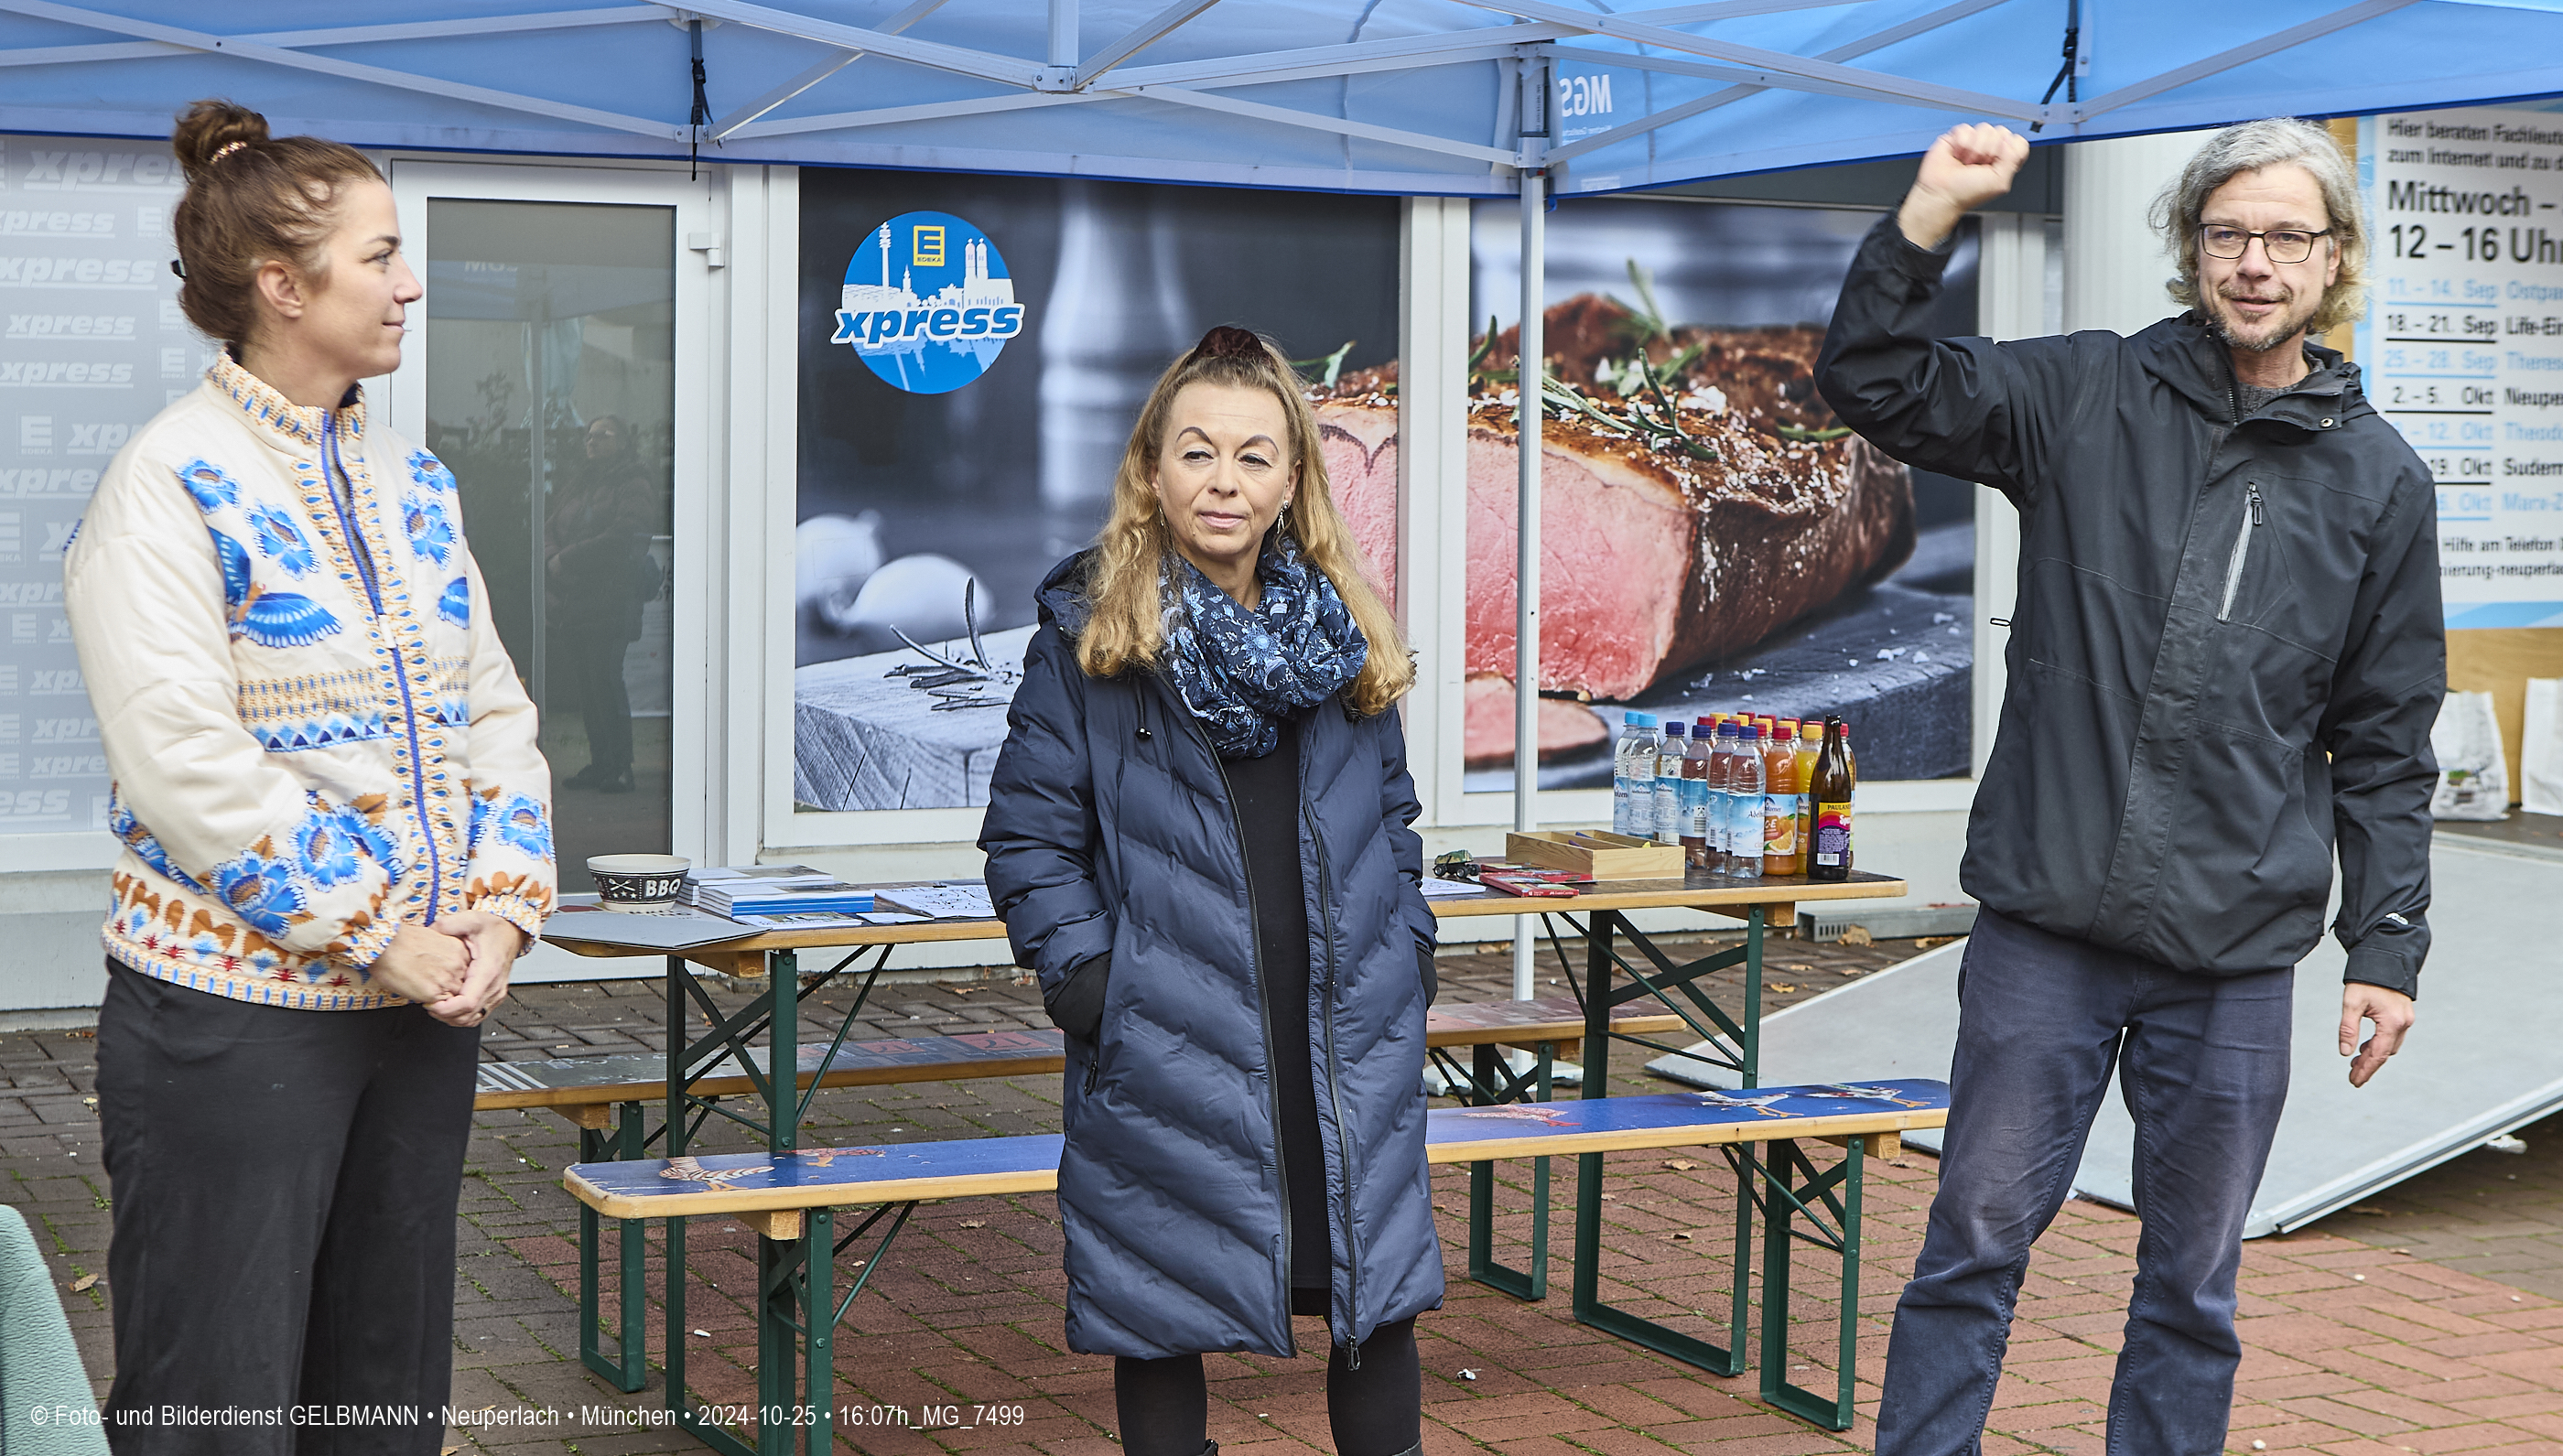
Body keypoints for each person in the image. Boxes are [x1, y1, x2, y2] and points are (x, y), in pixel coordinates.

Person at [1817, 118, 2443, 1454]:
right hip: (2048, 925)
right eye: (2228, 233)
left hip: (2233, 950)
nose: (2255, 261)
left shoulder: (2380, 481)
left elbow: (2387, 736)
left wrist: (2385, 942)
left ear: (2333, 259)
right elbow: (1871, 378)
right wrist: (1931, 206)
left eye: (2287, 236)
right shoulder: (2083, 397)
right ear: (2191, 249)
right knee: (1974, 1240)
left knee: (2193, 1283)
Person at [62, 99, 557, 1452]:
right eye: (381, 255)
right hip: (234, 1024)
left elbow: (491, 704)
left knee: (383, 1390)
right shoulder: (166, 480)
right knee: (215, 1396)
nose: (409, 283)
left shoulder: (414, 477)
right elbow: (184, 759)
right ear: (282, 285)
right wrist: (379, 931)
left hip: (423, 1007)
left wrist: (503, 909)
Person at [979, 326, 1440, 1456]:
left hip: (1339, 1032)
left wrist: (1408, 952)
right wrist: (1097, 986)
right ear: (1150, 469)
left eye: (1251, 456)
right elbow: (1028, 839)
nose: (1223, 480)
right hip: (1169, 1033)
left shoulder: (1344, 641)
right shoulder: (1086, 641)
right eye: (1196, 452)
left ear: (1292, 481)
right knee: (1157, 1309)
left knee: (1370, 1302)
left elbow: (1394, 821)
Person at [546, 414, 659, 793]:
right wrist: (553, 559)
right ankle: (601, 763)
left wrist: (569, 558)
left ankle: (621, 765)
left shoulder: (633, 482)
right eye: (589, 436)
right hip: (576, 599)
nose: (592, 442)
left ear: (622, 442)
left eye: (602, 436)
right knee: (588, 685)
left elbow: (627, 535)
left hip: (613, 596)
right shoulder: (580, 482)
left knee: (606, 680)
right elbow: (550, 526)